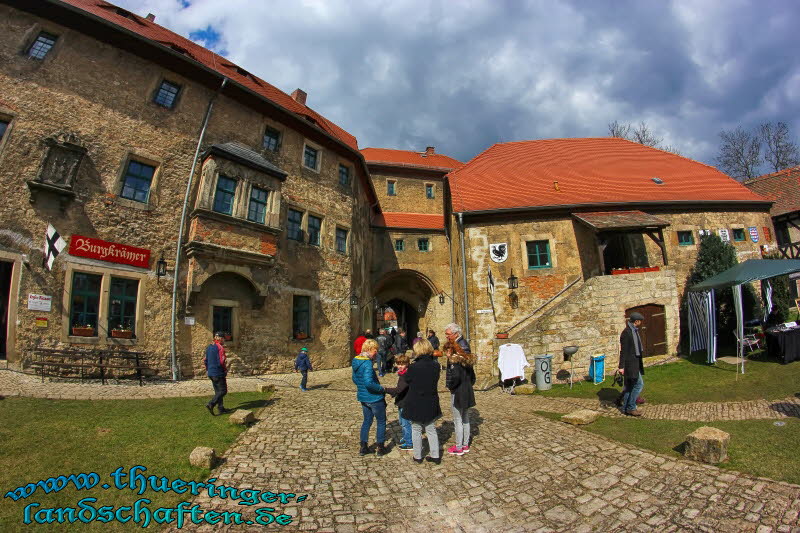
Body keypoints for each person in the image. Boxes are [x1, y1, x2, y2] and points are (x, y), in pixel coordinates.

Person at [403, 339, 442, 464]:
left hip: (416, 399)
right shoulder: (436, 366)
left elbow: (408, 380)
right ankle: (435, 455)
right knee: (430, 428)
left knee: (416, 428)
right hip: (431, 399)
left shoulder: (414, 367)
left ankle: (418, 456)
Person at [351, 339, 388, 456]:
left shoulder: (356, 360)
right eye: (375, 350)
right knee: (381, 421)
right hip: (374, 398)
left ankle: (363, 447)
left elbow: (354, 379)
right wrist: (381, 388)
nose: (376, 353)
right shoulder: (367, 363)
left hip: (363, 397)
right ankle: (381, 448)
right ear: (369, 350)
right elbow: (368, 383)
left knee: (367, 421)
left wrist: (361, 387)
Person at [445, 330, 476, 455]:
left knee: (458, 420)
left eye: (447, 351)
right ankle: (465, 444)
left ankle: (459, 447)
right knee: (465, 418)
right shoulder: (466, 360)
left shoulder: (455, 363)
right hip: (467, 389)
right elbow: (472, 377)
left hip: (458, 392)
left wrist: (451, 386)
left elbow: (455, 379)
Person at [619, 312, 645, 416]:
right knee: (639, 385)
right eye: (640, 321)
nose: (641, 323)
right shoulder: (627, 333)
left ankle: (625, 408)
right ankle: (631, 407)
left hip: (635, 362)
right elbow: (623, 351)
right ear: (636, 321)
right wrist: (621, 366)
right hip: (630, 364)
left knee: (630, 386)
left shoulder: (633, 331)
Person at [384, 353, 412, 450]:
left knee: (405, 423)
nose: (400, 366)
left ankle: (409, 442)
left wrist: (385, 389)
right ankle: (405, 437)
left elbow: (399, 389)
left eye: (402, 364)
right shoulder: (403, 373)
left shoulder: (406, 375)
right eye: (398, 364)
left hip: (406, 401)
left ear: (407, 364)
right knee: (402, 421)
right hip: (402, 401)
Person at [204, 331, 229, 415]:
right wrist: (225, 370)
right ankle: (211, 404)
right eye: (223, 339)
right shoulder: (220, 347)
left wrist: (208, 370)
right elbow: (222, 361)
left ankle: (221, 408)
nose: (224, 340)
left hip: (211, 372)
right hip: (218, 372)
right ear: (220, 339)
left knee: (218, 391)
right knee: (223, 391)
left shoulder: (209, 347)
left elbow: (205, 360)